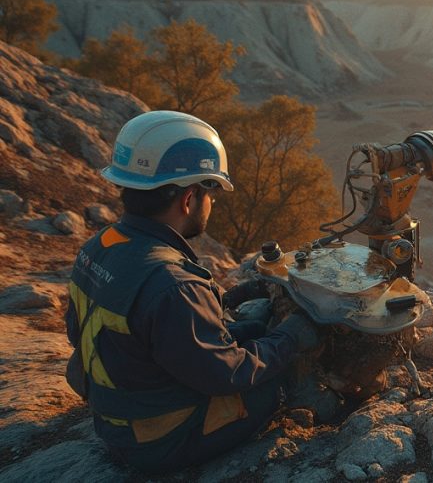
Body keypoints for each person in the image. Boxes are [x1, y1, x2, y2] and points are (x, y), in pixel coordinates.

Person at [63, 110, 319, 474]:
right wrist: (289, 338)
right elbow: (225, 374)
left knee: (256, 336)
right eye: (211, 192)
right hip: (158, 441)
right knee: (275, 380)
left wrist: (255, 329)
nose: (212, 203)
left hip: (114, 417)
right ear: (188, 198)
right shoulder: (173, 283)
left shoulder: (100, 246)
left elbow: (97, 333)